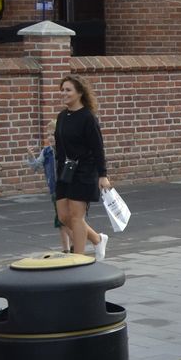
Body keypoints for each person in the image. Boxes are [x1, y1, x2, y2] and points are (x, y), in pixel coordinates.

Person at [52, 76, 110, 260]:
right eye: (62, 90)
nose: (64, 93)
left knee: (77, 217)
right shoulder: (62, 117)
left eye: (68, 90)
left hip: (85, 170)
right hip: (65, 172)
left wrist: (102, 175)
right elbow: (60, 148)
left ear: (80, 93)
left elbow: (98, 148)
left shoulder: (87, 118)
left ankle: (78, 259)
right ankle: (97, 239)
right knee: (63, 216)